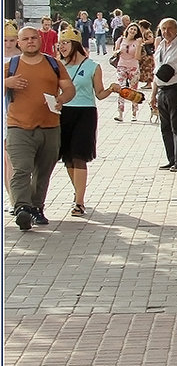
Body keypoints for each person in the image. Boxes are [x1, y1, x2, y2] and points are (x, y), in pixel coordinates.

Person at [4, 26, 76, 230]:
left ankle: (37, 207)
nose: (30, 41)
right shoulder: (12, 65)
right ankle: (22, 208)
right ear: (19, 43)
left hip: (50, 126)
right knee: (21, 169)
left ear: (40, 40)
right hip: (18, 126)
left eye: (33, 38)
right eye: (25, 39)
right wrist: (7, 82)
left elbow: (69, 88)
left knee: (43, 171)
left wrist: (61, 99)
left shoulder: (53, 64)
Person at [57, 27, 120, 216]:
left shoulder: (92, 66)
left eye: (66, 43)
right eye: (60, 43)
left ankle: (79, 201)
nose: (62, 47)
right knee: (67, 156)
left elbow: (99, 94)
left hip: (85, 113)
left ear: (75, 44)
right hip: (64, 113)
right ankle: (78, 192)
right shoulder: (59, 66)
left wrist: (111, 89)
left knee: (79, 155)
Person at [150, 18, 177, 172]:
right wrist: (153, 94)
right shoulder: (160, 46)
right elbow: (157, 72)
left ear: (176, 29)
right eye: (163, 29)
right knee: (165, 127)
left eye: (169, 28)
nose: (166, 32)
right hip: (162, 89)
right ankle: (171, 159)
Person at [4, 22, 20, 206]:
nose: (8, 44)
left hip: (15, 108)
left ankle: (14, 198)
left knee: (12, 158)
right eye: (5, 40)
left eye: (12, 40)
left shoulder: (20, 58)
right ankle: (11, 197)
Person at [113, 23, 144, 122]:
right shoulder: (120, 40)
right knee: (122, 89)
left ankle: (134, 113)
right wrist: (117, 52)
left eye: (135, 30)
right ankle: (120, 113)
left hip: (133, 67)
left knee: (133, 90)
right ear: (127, 30)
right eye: (131, 29)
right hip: (121, 66)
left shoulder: (137, 42)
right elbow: (115, 51)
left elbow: (138, 57)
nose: (133, 31)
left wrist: (138, 46)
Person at [137, 19, 156, 89]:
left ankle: (149, 84)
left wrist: (142, 43)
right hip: (145, 54)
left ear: (142, 26)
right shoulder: (144, 32)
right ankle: (148, 83)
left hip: (147, 54)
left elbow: (151, 40)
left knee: (148, 68)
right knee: (145, 68)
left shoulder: (147, 32)